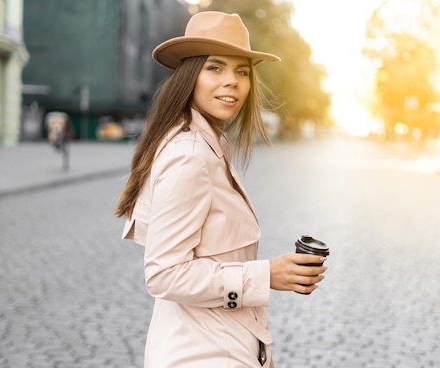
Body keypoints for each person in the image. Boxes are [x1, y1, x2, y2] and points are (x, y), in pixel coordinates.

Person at [115, 11, 327, 368]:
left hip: (216, 345)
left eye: (241, 71)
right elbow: (164, 274)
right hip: (203, 355)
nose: (231, 81)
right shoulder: (191, 156)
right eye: (214, 68)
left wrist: (259, 354)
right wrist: (266, 274)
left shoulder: (209, 144)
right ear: (189, 76)